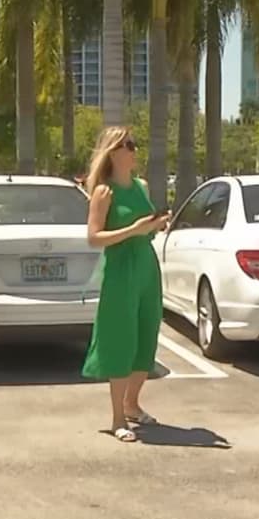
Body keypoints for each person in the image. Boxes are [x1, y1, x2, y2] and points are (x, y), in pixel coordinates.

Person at [80, 127, 171, 443]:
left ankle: (132, 404)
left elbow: (142, 228)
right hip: (120, 271)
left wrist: (154, 226)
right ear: (113, 152)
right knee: (120, 341)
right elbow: (94, 238)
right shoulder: (104, 193)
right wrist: (133, 230)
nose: (134, 150)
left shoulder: (141, 187)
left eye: (134, 144)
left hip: (146, 267)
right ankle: (118, 418)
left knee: (146, 340)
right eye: (128, 145)